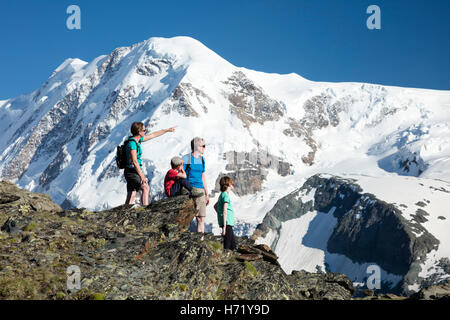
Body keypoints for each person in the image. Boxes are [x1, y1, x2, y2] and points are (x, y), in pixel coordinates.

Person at [124, 121, 176, 206]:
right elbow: (134, 161)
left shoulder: (136, 140)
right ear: (139, 132)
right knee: (145, 187)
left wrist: (166, 130)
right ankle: (145, 211)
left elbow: (153, 135)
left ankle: (124, 212)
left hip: (130, 171)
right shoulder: (132, 144)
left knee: (132, 193)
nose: (145, 132)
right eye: (144, 130)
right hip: (132, 171)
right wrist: (142, 176)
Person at [182, 137, 209, 240]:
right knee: (189, 218)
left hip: (200, 190)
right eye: (203, 146)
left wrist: (207, 193)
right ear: (197, 147)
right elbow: (182, 173)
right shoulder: (187, 158)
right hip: (190, 189)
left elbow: (203, 176)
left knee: (201, 218)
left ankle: (200, 241)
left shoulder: (202, 159)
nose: (204, 148)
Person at [217, 176, 236, 250]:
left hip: (227, 222)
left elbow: (216, 206)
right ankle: (226, 258)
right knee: (228, 243)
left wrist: (219, 213)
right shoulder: (226, 196)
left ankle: (231, 257)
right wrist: (224, 227)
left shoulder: (222, 195)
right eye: (232, 184)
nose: (233, 185)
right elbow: (225, 211)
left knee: (232, 243)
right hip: (227, 222)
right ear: (228, 185)